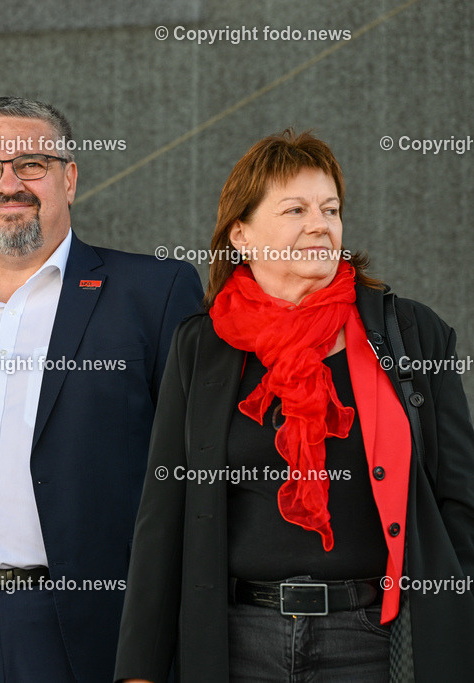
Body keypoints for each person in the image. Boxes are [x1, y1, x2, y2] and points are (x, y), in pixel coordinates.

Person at [115, 130, 474, 682]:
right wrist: (139, 669)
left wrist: (454, 621)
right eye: (296, 209)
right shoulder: (202, 344)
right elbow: (163, 513)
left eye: (330, 209)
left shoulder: (411, 332)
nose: (320, 224)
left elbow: (460, 498)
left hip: (374, 642)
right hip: (239, 643)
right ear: (241, 234)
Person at [0, 96, 203, 682]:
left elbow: (192, 476)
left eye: (31, 164)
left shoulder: (152, 292)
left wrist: (156, 650)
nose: (8, 184)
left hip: (87, 625)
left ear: (70, 179)